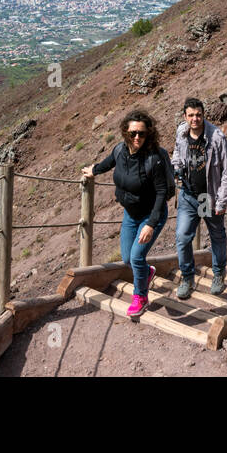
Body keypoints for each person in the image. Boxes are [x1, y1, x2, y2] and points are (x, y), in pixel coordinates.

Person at [82, 110, 170, 318]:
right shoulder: (120, 149)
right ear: (125, 133)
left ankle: (141, 297)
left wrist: (150, 224)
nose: (137, 137)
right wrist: (93, 170)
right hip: (130, 214)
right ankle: (147, 274)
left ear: (149, 133)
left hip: (151, 215)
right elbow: (109, 162)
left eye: (141, 133)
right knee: (127, 258)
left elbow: (161, 193)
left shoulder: (154, 158)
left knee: (137, 256)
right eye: (133, 133)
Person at [172, 97, 227, 298]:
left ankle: (218, 275)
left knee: (216, 236)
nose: (195, 119)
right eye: (191, 115)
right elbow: (176, 153)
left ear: (203, 114)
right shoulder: (181, 133)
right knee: (182, 237)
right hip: (188, 195)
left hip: (208, 197)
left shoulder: (216, 137)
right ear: (185, 116)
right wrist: (176, 168)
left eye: (198, 114)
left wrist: (222, 200)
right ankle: (187, 277)